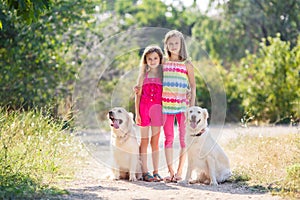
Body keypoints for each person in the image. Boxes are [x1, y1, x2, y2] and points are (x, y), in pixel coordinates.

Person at [162, 30, 196, 183]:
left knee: (183, 140)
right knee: (168, 138)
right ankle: (170, 172)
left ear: (181, 44)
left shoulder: (187, 63)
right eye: (170, 43)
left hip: (183, 107)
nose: (174, 46)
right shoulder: (163, 62)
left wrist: (192, 107)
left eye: (176, 43)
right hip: (166, 106)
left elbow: (193, 87)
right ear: (166, 45)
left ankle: (180, 171)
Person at [135, 45, 164, 182]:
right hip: (144, 110)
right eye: (150, 59)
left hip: (158, 111)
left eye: (155, 58)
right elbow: (138, 96)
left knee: (155, 142)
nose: (153, 61)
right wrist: (137, 113)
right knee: (144, 141)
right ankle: (145, 171)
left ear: (160, 59)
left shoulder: (163, 76)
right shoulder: (142, 76)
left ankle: (156, 171)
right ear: (145, 60)